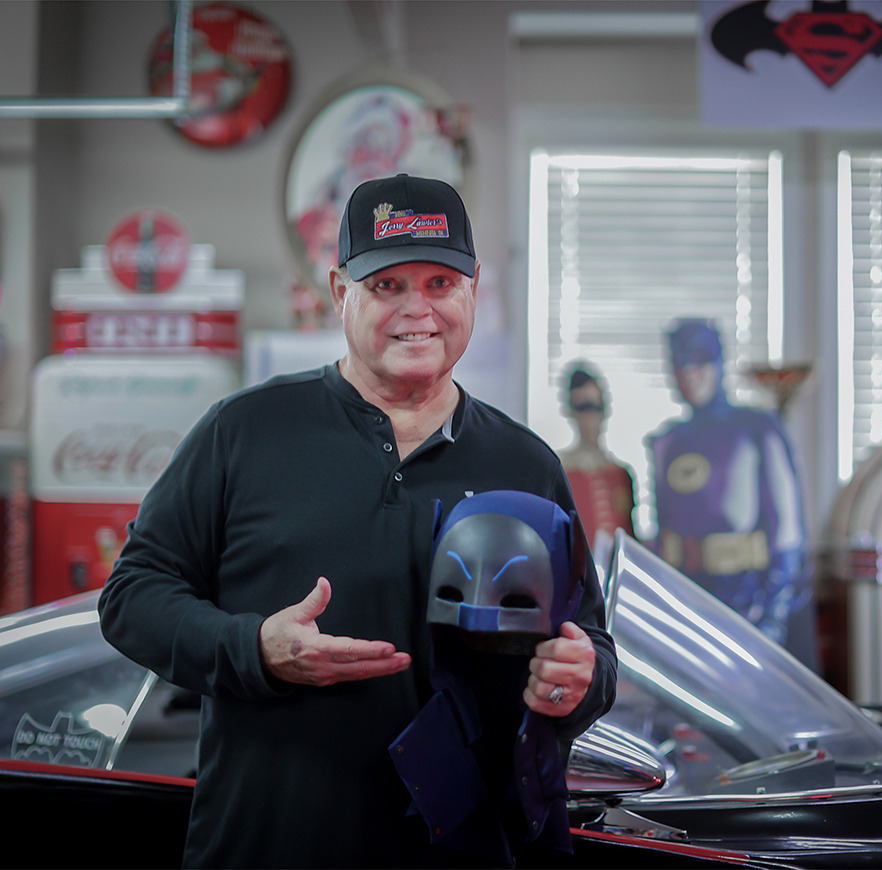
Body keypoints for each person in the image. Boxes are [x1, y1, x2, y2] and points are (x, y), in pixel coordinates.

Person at [98, 174, 617, 868]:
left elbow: (595, 650)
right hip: (269, 846)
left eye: (440, 283)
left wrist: (579, 682)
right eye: (387, 286)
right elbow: (132, 596)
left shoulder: (524, 463)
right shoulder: (246, 432)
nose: (418, 310)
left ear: (473, 289)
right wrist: (254, 649)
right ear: (341, 292)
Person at [646, 319, 817, 670]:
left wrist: (773, 616)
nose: (689, 373)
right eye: (679, 363)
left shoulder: (756, 428)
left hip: (752, 601)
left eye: (699, 360)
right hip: (690, 607)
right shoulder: (667, 441)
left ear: (719, 362)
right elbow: (664, 537)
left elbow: (788, 534)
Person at [557, 362, 636, 546]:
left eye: (595, 407)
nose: (590, 417)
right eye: (583, 408)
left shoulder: (620, 474)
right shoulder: (562, 471)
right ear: (572, 411)